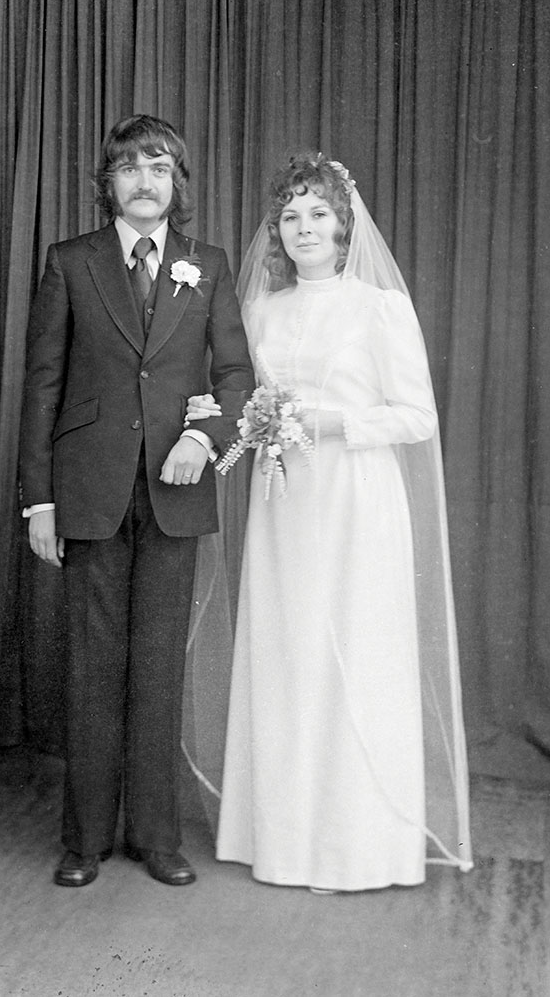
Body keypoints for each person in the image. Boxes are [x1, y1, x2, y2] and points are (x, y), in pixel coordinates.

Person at [186, 153, 472, 891]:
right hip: (284, 502)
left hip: (358, 500)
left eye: (318, 213)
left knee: (358, 652)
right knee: (288, 654)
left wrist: (332, 422)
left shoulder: (379, 308)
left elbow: (416, 417)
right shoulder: (261, 312)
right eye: (290, 216)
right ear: (277, 231)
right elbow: (239, 396)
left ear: (345, 226)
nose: (303, 227)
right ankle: (282, 838)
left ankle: (358, 846)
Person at [19, 114, 254, 888]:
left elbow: (235, 376)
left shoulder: (208, 265)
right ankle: (84, 838)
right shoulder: (70, 261)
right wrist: (39, 501)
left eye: (159, 168)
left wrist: (203, 439)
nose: (144, 182)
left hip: (174, 492)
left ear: (176, 183)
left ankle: (156, 835)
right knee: (92, 667)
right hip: (89, 491)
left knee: (157, 667)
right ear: (108, 183)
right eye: (129, 168)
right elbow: (43, 384)